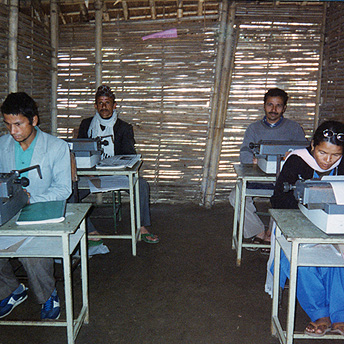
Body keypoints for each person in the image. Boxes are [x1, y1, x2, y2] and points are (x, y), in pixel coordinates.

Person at [266, 120, 344, 336]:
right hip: (296, 223)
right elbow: (278, 199)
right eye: (322, 153)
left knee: (339, 260)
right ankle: (320, 314)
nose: (327, 161)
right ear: (312, 146)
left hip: (330, 225)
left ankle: (340, 314)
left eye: (335, 156)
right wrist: (308, 207)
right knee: (299, 259)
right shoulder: (297, 161)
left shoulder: (343, 163)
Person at [0, 92, 72, 319]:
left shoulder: (56, 147)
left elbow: (64, 190)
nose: (13, 132)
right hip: (8, 214)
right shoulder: (2, 145)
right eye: (8, 125)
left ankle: (48, 295)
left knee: (32, 252)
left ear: (34, 120)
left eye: (18, 124)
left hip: (41, 213)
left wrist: (30, 199)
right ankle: (10, 289)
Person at [77, 85, 159, 244]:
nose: (104, 106)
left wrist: (116, 166)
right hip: (91, 175)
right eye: (100, 103)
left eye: (107, 103)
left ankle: (141, 227)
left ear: (114, 105)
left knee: (141, 185)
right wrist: (87, 170)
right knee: (68, 191)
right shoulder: (86, 125)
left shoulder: (123, 127)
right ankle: (89, 229)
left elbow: (129, 155)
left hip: (116, 174)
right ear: (95, 105)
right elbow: (80, 151)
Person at [229, 88, 307, 248]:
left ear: (284, 108)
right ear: (264, 106)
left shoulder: (294, 128)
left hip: (284, 180)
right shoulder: (253, 128)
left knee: (285, 198)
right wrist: (252, 159)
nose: (274, 109)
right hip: (258, 177)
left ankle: (272, 234)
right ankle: (257, 231)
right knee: (235, 196)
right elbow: (244, 151)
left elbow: (304, 152)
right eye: (270, 105)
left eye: (278, 105)